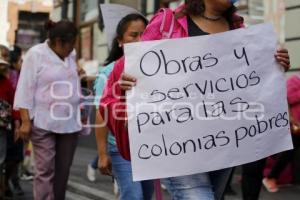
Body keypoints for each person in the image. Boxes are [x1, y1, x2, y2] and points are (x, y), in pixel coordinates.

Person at [99, 0, 291, 200]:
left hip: (224, 143)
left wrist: (274, 66)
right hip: (176, 145)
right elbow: (131, 67)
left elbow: (250, 83)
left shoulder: (238, 28)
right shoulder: (168, 23)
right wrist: (125, 80)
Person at [14, 20, 82, 200]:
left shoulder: (71, 55)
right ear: (59, 41)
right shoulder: (35, 54)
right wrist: (25, 121)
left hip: (69, 122)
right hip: (43, 123)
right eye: (71, 43)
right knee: (44, 171)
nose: (73, 48)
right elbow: (24, 88)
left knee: (63, 171)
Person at [94, 13, 154, 200]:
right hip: (120, 148)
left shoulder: (157, 67)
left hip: (149, 146)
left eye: (144, 34)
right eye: (133, 35)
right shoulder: (109, 72)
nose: (140, 40)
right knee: (133, 196)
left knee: (146, 195)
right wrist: (103, 154)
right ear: (120, 40)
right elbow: (101, 113)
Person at [262, 75, 300, 193]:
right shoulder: (294, 80)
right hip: (295, 124)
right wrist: (291, 118)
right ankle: (271, 177)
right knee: (288, 152)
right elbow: (285, 98)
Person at [4, 45, 24, 197]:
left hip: (14, 119)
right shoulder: (6, 77)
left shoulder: (18, 75)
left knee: (15, 155)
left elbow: (18, 99)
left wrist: (18, 121)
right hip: (5, 122)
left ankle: (10, 181)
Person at [0, 58, 20, 199]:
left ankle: (4, 185)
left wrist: (18, 123)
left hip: (3, 127)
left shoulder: (6, 83)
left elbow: (14, 103)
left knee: (4, 159)